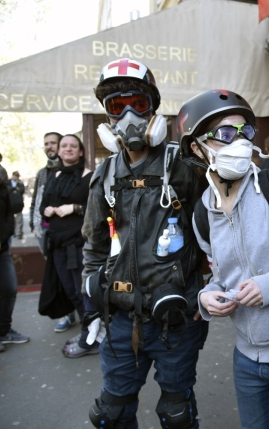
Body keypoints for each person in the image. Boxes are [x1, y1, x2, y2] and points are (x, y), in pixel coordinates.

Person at [81, 58, 208, 429]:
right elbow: (95, 244)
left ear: (153, 108)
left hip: (176, 317)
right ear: (107, 117)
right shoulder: (104, 175)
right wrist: (93, 294)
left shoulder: (184, 165)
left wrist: (207, 289)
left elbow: (214, 233)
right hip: (121, 318)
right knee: (111, 412)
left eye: (138, 103)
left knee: (176, 412)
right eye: (117, 107)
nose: (129, 116)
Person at [178, 90, 269, 429]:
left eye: (244, 131)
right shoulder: (202, 211)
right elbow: (220, 274)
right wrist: (207, 296)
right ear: (196, 148)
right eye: (224, 134)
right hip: (246, 359)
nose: (239, 142)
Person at [40, 134, 95, 357]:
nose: (68, 149)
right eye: (64, 146)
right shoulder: (54, 176)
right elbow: (44, 204)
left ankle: (91, 337)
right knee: (71, 292)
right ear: (59, 151)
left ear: (81, 151)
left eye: (73, 146)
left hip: (80, 244)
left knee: (83, 292)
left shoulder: (89, 176)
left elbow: (98, 206)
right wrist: (46, 210)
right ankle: (88, 332)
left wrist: (75, 208)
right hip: (58, 244)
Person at [29, 132, 74, 334]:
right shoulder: (42, 172)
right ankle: (67, 313)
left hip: (65, 233)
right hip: (44, 231)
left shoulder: (72, 171)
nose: (50, 147)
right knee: (55, 274)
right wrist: (33, 221)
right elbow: (37, 200)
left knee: (68, 274)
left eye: (53, 143)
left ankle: (75, 312)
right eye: (46, 143)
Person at [0, 154, 30, 353]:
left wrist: (7, 231)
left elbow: (10, 211)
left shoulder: (0, 185)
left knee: (9, 289)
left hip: (1, 250)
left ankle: (4, 330)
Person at [8, 171, 25, 239]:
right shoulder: (8, 182)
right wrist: (14, 189)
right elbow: (8, 190)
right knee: (12, 219)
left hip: (18, 204)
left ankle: (19, 233)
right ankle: (14, 232)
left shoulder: (20, 183)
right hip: (10, 203)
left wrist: (15, 190)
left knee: (19, 219)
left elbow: (21, 191)